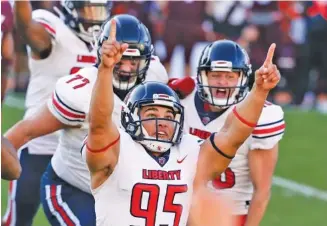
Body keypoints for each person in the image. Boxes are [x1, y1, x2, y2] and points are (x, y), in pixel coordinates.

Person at [83, 18, 280, 226]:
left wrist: (260, 91)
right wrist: (105, 70)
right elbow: (99, 124)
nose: (162, 122)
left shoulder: (188, 154)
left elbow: (232, 136)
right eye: (152, 114)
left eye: (169, 116)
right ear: (131, 117)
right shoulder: (116, 151)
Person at [4, 14, 168, 226]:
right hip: (72, 188)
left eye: (133, 61)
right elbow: (27, 130)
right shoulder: (80, 92)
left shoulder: (155, 76)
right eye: (120, 59)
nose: (126, 68)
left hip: (119, 195)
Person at [2, 1, 112, 225]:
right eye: (86, 10)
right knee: (17, 219)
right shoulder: (54, 29)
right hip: (39, 143)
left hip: (79, 150)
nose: (93, 18)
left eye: (98, 10)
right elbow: (27, 27)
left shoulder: (108, 42)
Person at [181, 40, 285, 226]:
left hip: (229, 217)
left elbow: (261, 191)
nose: (222, 83)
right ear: (202, 76)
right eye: (216, 75)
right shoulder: (181, 99)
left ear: (243, 78)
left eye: (230, 76)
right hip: (182, 210)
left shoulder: (263, 116)